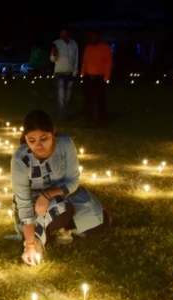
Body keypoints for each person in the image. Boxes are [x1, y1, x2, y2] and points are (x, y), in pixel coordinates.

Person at [11, 110, 111, 265]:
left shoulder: (65, 144)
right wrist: (30, 244)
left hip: (66, 193)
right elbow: (23, 203)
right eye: (31, 140)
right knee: (61, 208)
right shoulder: (20, 159)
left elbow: (73, 181)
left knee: (100, 224)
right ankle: (43, 234)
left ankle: (58, 226)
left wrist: (47, 195)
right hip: (35, 204)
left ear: (53, 133)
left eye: (44, 138)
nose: (38, 145)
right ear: (25, 139)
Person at [80, 30, 112, 125]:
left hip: (100, 78)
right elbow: (85, 61)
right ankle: (89, 120)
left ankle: (101, 120)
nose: (90, 38)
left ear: (98, 37)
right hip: (88, 77)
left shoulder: (105, 47)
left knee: (100, 100)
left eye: (92, 36)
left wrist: (106, 77)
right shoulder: (88, 47)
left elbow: (108, 62)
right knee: (88, 100)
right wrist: (83, 74)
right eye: (90, 36)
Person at [50, 29, 79, 120]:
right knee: (61, 96)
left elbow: (76, 58)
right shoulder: (56, 43)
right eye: (62, 34)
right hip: (60, 74)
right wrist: (54, 55)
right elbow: (52, 59)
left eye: (65, 33)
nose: (63, 35)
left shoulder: (74, 44)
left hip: (70, 74)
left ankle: (64, 113)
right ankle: (62, 116)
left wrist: (75, 73)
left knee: (68, 97)